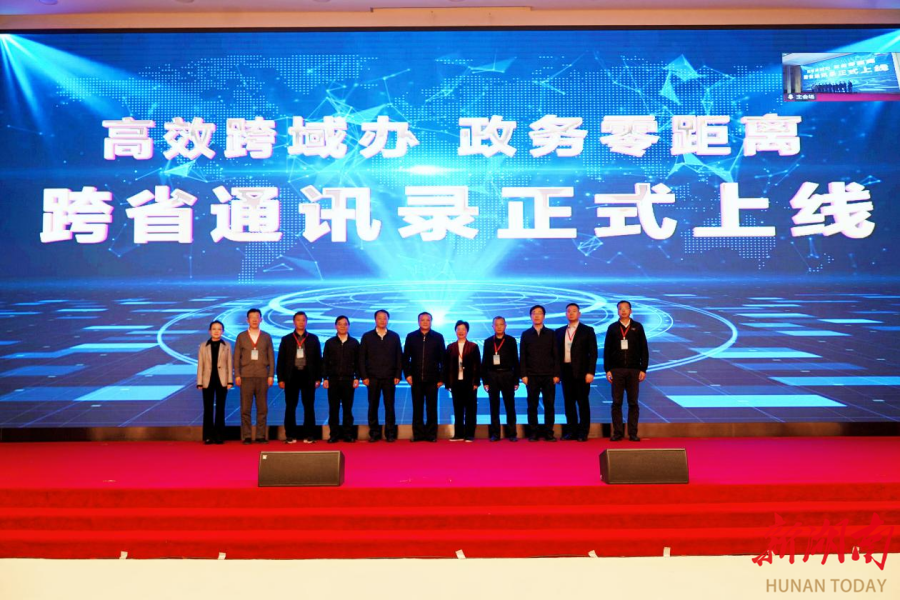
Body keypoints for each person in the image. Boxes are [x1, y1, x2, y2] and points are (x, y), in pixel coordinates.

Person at [603, 300, 649, 442]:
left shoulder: (638, 327)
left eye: (626, 308)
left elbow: (644, 349)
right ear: (617, 311)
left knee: (633, 403)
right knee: (616, 402)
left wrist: (643, 369)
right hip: (616, 370)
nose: (623, 311)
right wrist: (608, 370)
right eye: (620, 308)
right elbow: (607, 350)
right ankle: (617, 433)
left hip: (634, 370)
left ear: (631, 311)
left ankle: (633, 433)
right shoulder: (612, 328)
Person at [277, 311, 322, 444]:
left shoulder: (313, 338)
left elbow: (318, 360)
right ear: (294, 322)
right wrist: (281, 378)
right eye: (298, 320)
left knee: (309, 406)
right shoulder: (286, 339)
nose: (301, 322)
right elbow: (281, 360)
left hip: (308, 376)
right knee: (290, 406)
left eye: (303, 320)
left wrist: (318, 378)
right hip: (292, 376)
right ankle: (290, 435)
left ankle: (310, 434)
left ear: (306, 322)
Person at [358, 309, 403, 443]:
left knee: (390, 406)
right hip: (372, 378)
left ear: (388, 320)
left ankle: (390, 433)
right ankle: (374, 433)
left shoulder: (394, 336)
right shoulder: (367, 336)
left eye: (385, 318)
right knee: (373, 406)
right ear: (375, 320)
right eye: (379, 318)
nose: (382, 320)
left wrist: (397, 374)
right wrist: (364, 376)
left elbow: (399, 357)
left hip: (389, 377)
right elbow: (362, 358)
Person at [556, 303, 597, 442]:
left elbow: (593, 353)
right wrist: (557, 373)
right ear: (565, 314)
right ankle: (571, 431)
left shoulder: (587, 330)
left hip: (582, 372)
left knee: (582, 403)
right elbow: (556, 355)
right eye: (569, 311)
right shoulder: (559, 332)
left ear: (579, 314)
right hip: (565, 371)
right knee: (569, 403)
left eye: (574, 311)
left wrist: (590, 372)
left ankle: (583, 432)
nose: (571, 313)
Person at [519, 305, 560, 442]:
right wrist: (523, 375)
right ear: (530, 316)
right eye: (534, 313)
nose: (536, 315)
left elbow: (556, 355)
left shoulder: (551, 333)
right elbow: (523, 356)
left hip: (549, 375)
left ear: (544, 316)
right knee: (532, 406)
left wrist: (556, 374)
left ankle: (549, 432)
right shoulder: (525, 334)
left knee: (549, 405)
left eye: (539, 313)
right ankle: (533, 432)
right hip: (531, 376)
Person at [235, 308, 275, 444]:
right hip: (245, 376)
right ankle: (246, 436)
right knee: (245, 408)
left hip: (262, 376)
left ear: (261, 319)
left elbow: (271, 357)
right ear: (247, 320)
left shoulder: (266, 336)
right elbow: (236, 357)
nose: (254, 319)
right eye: (251, 317)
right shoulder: (241, 336)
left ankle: (260, 435)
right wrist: (237, 374)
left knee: (262, 408)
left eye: (257, 317)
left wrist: (271, 375)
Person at [404, 312, 445, 442]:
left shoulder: (438, 337)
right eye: (422, 320)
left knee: (431, 408)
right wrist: (408, 375)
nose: (425, 322)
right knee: (417, 408)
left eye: (428, 320)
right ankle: (418, 434)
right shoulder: (411, 337)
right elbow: (406, 358)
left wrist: (441, 378)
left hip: (433, 379)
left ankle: (431, 434)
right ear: (418, 322)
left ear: (431, 322)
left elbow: (443, 360)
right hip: (416, 379)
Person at [322, 315, 360, 443]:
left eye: (345, 324)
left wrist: (357, 377)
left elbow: (358, 362)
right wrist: (325, 378)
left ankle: (348, 434)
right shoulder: (330, 343)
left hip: (348, 380)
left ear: (348, 326)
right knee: (333, 409)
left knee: (347, 409)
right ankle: (334, 434)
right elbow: (325, 361)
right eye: (340, 324)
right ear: (335, 326)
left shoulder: (354, 343)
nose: (342, 326)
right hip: (333, 380)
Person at [481, 316, 519, 442]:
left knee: (510, 405)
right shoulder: (488, 342)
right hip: (492, 375)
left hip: (508, 375)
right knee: (494, 406)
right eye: (496, 324)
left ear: (505, 326)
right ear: (492, 326)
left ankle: (512, 433)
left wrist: (516, 380)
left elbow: (516, 361)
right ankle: (495, 434)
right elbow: (484, 362)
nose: (499, 327)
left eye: (501, 324)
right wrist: (485, 381)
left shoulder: (511, 341)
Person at [196, 320, 233, 445]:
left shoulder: (226, 345)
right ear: (209, 331)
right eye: (214, 329)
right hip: (207, 381)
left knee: (220, 409)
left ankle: (219, 436)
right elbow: (200, 365)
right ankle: (208, 436)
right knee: (208, 409)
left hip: (222, 380)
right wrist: (199, 382)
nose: (216, 331)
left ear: (222, 331)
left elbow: (229, 364)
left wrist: (230, 381)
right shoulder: (203, 345)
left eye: (219, 329)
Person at [444, 320, 481, 442]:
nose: (461, 331)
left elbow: (477, 365)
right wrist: (448, 383)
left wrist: (476, 382)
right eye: (458, 329)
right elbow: (447, 366)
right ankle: (459, 434)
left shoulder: (473, 346)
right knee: (458, 409)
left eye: (463, 329)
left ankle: (469, 434)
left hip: (469, 383)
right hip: (456, 383)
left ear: (467, 331)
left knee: (471, 409)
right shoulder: (450, 347)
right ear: (455, 331)